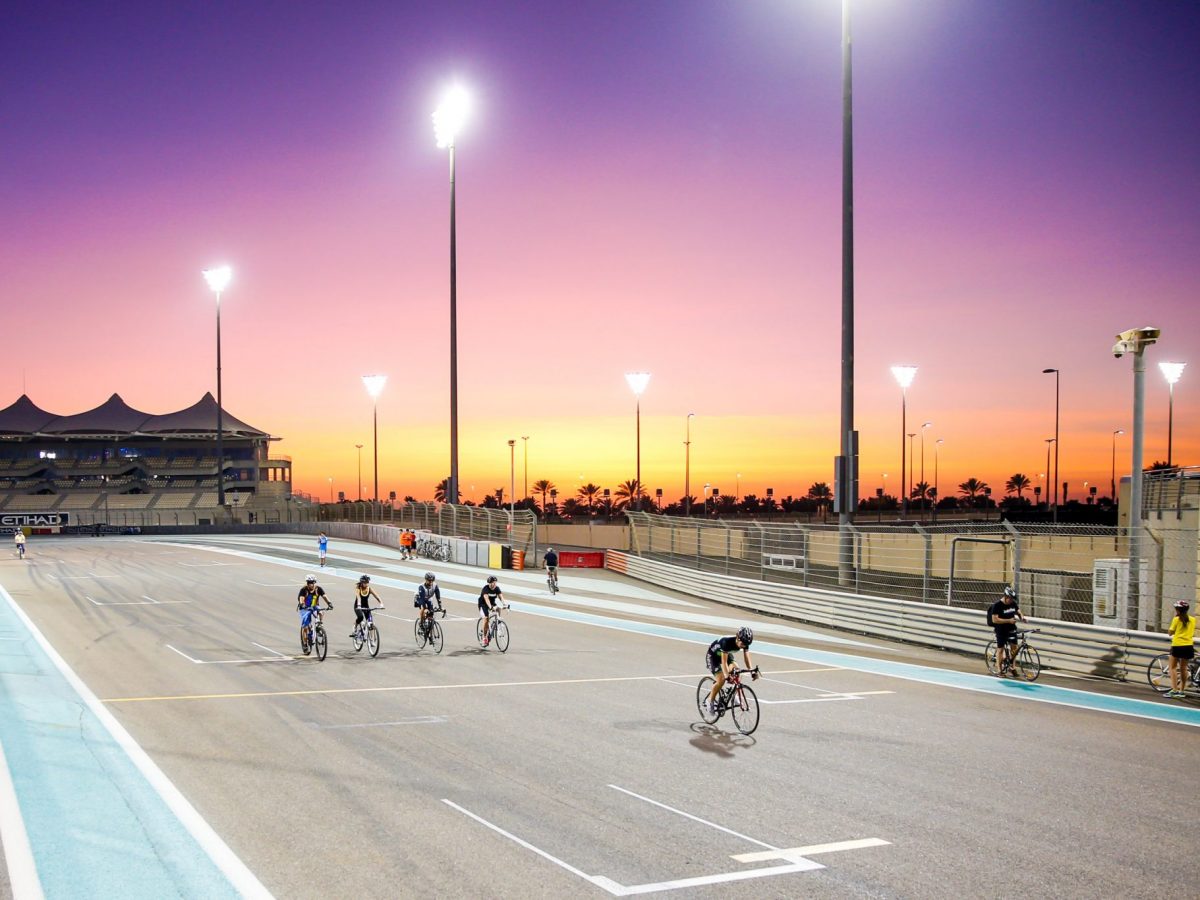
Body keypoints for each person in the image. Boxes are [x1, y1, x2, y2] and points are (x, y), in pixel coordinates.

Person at [704, 627, 758, 716]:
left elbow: (747, 659)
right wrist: (726, 676)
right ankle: (710, 700)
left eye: (746, 644)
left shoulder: (745, 642)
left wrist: (752, 671)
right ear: (737, 637)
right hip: (713, 656)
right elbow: (724, 662)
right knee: (721, 679)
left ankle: (733, 694)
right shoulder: (726, 642)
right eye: (742, 643)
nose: (744, 646)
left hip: (726, 654)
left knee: (737, 671)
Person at [987, 586, 1027, 675]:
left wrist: (1022, 617)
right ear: (1006, 597)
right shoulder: (997, 605)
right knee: (1000, 649)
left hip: (1011, 629)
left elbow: (1018, 610)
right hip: (1001, 630)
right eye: (1010, 599)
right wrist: (1008, 620)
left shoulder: (1012, 603)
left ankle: (1012, 667)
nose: (1011, 601)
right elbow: (995, 620)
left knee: (1014, 648)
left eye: (1012, 599)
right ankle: (999, 669)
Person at [296, 575, 333, 654]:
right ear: (307, 583)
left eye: (312, 583)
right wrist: (302, 604)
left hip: (314, 606)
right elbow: (301, 599)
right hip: (305, 608)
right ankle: (305, 644)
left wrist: (329, 603)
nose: (311, 584)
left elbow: (324, 596)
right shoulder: (303, 590)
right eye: (309, 583)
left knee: (321, 612)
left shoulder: (318, 589)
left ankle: (319, 625)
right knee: (305, 627)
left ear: (314, 583)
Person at [1167, 599, 1195, 699]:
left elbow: (1170, 633)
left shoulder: (1176, 619)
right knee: (1184, 668)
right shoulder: (1193, 619)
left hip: (1177, 645)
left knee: (1173, 667)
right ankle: (1182, 691)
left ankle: (1174, 690)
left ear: (1178, 610)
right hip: (1188, 646)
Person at [478, 575, 505, 646]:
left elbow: (501, 597)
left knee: (498, 608)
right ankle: (484, 637)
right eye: (493, 582)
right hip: (483, 605)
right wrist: (490, 607)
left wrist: (504, 604)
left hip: (492, 604)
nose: (494, 584)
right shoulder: (485, 589)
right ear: (489, 583)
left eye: (495, 582)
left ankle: (498, 622)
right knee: (486, 619)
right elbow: (486, 599)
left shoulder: (497, 588)